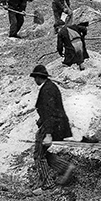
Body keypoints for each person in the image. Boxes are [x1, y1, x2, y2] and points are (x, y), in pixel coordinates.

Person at [30, 65, 75, 194]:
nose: (35, 80)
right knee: (42, 152)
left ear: (39, 77)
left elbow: (50, 112)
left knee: (38, 155)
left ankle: (48, 185)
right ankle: (66, 168)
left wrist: (48, 134)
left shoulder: (47, 89)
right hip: (54, 123)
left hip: (52, 125)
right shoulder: (49, 87)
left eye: (35, 78)